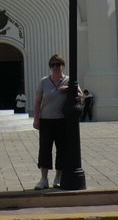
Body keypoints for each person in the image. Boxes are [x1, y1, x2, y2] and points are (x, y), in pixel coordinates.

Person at [32, 53, 78, 189]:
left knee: (61, 150)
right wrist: (36, 118)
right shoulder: (44, 81)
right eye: (53, 65)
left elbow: (81, 96)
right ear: (50, 67)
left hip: (62, 121)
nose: (56, 67)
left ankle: (58, 177)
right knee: (45, 149)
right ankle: (43, 179)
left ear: (63, 66)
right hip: (46, 120)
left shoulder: (69, 81)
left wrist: (69, 90)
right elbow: (38, 100)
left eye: (58, 64)